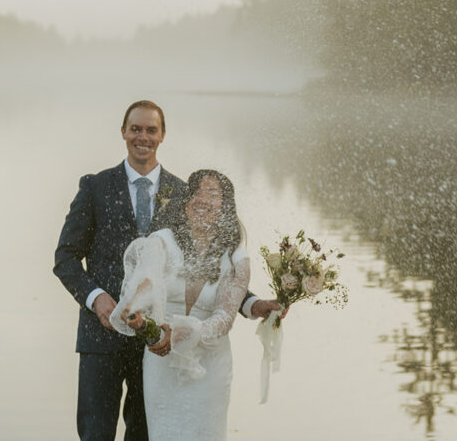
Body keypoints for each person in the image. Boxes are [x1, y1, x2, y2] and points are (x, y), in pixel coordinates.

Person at [53, 100, 284, 441]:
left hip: (159, 344)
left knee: (146, 434)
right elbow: (66, 258)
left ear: (162, 135)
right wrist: (96, 298)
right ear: (123, 132)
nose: (142, 137)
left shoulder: (184, 192)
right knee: (95, 434)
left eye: (151, 130)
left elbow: (204, 263)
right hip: (101, 337)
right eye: (136, 129)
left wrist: (250, 304)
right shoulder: (95, 187)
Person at [111, 170, 249, 440]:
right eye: (197, 191)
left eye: (213, 194)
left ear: (226, 207)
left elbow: (224, 318)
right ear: (186, 203)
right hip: (163, 363)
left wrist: (187, 333)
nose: (203, 200)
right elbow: (148, 284)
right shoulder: (161, 242)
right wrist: (136, 310)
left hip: (210, 366)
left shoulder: (236, 257)